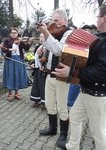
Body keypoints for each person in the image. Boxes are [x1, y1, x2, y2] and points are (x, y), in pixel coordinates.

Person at [51, 4, 106, 150]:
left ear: (104, 18)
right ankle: (72, 146)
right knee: (74, 117)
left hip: (98, 94)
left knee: (98, 132)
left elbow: (101, 72)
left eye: (98, 16)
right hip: (86, 90)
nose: (97, 20)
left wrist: (72, 72)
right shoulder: (99, 37)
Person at [37, 9, 72, 149]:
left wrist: (46, 32)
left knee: (62, 106)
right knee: (49, 103)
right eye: (53, 20)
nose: (54, 23)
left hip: (62, 76)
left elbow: (58, 50)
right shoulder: (54, 33)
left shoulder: (69, 33)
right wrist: (42, 48)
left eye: (57, 20)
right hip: (50, 73)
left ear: (65, 21)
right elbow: (50, 48)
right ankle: (53, 128)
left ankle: (63, 134)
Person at [2, 27, 31, 101]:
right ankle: (9, 93)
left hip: (19, 59)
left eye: (15, 33)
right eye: (12, 33)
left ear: (17, 34)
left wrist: (25, 42)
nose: (14, 34)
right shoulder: (7, 41)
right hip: (10, 59)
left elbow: (26, 48)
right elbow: (3, 49)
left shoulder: (20, 40)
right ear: (10, 33)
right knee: (10, 75)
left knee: (17, 75)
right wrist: (11, 47)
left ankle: (17, 92)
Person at [30, 33, 46, 107]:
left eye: (43, 37)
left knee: (43, 86)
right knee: (36, 85)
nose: (41, 38)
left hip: (44, 70)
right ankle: (36, 100)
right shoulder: (37, 47)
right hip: (37, 69)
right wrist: (33, 63)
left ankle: (44, 102)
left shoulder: (47, 47)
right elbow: (35, 58)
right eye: (40, 37)